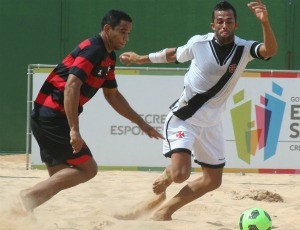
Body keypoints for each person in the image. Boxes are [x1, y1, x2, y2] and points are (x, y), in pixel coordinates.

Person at [119, 0, 277, 221]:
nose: (224, 25)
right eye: (219, 21)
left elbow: (269, 50)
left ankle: (165, 210)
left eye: (229, 21)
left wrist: (265, 22)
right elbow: (173, 54)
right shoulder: (199, 44)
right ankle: (169, 174)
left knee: (213, 180)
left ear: (236, 25)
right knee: (181, 174)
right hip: (184, 118)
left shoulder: (244, 49)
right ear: (213, 25)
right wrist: (140, 58)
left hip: (212, 124)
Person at [19, 9, 163, 212]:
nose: (126, 37)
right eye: (122, 31)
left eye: (129, 33)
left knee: (60, 175)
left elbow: (112, 95)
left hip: (47, 116)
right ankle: (26, 198)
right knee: (88, 169)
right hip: (51, 116)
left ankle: (21, 214)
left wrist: (141, 123)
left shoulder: (109, 57)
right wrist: (74, 129)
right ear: (107, 29)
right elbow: (71, 86)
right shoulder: (94, 49)